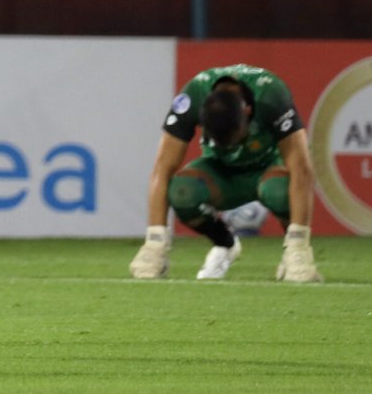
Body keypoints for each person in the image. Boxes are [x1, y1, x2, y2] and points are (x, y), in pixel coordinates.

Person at [129, 64, 323, 283]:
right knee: (182, 192)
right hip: (221, 172)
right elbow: (162, 169)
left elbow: (301, 168)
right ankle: (225, 244)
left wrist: (300, 242)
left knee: (279, 192)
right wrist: (155, 242)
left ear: (248, 111)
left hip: (268, 168)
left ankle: (293, 253)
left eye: (235, 137)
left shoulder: (271, 95)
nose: (231, 146)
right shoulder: (191, 97)